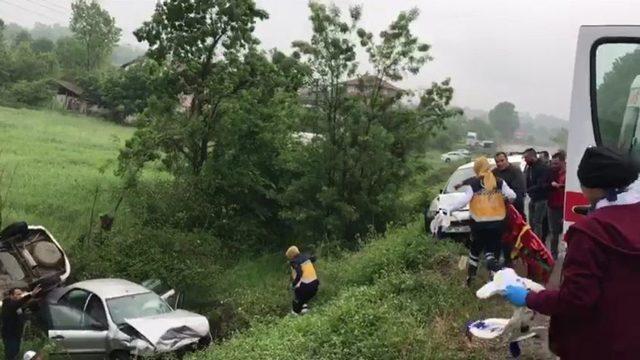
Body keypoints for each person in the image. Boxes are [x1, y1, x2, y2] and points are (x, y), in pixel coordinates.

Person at [503, 146, 640, 359]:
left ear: (591, 186)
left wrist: (530, 298)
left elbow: (576, 299)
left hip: (599, 344)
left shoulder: (589, 233)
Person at [442, 157, 516, 286]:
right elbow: (512, 196)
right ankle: (494, 279)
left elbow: (463, 201)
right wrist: (503, 199)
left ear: (477, 168)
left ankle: (470, 278)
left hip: (480, 224)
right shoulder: (499, 182)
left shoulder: (475, 184)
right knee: (494, 250)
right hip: (498, 223)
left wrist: (449, 209)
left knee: (475, 250)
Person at [492, 151, 526, 266]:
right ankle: (506, 260)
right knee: (503, 237)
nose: (500, 163)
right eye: (497, 162)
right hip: (498, 211)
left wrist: (505, 199)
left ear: (507, 160)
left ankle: (521, 260)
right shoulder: (494, 173)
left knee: (517, 237)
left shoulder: (516, 171)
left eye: (502, 161)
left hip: (515, 210)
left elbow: (518, 193)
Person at [2, 286, 42, 360]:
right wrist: (30, 295)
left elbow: (21, 309)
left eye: (21, 294)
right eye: (18, 294)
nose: (20, 296)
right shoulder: (7, 303)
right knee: (11, 356)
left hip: (17, 335)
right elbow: (16, 304)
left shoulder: (17, 306)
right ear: (11, 295)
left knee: (16, 355)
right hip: (10, 336)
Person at [523, 148, 550, 241]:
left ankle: (537, 241)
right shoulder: (529, 167)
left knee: (537, 221)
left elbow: (541, 184)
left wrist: (528, 189)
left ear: (532, 157)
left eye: (526, 158)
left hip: (541, 198)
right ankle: (532, 238)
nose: (525, 160)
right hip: (533, 198)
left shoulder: (542, 167)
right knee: (531, 221)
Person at [286, 246, 319, 315]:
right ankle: (305, 308)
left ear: (291, 255)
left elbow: (299, 273)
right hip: (315, 285)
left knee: (297, 297)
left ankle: (295, 313)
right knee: (303, 298)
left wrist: (294, 284)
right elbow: (314, 258)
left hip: (305, 286)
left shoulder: (294, 262)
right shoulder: (306, 257)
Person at [546, 151, 566, 259]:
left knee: (567, 230)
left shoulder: (569, 173)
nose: (554, 166)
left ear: (563, 162)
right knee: (553, 232)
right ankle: (553, 254)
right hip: (552, 204)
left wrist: (560, 186)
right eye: (552, 164)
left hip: (564, 205)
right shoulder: (550, 172)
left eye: (556, 164)